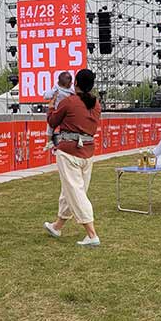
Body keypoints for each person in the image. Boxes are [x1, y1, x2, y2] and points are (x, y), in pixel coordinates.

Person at [42, 69, 102, 247]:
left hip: (69, 152)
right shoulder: (96, 104)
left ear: (76, 83)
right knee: (71, 190)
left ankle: (92, 234)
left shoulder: (69, 102)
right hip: (88, 153)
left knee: (75, 191)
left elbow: (52, 121)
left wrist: (51, 106)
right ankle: (57, 226)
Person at [43, 72, 75, 151]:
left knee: (50, 126)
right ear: (70, 83)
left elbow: (46, 96)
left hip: (57, 111)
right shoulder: (71, 91)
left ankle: (49, 142)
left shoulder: (56, 89)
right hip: (66, 113)